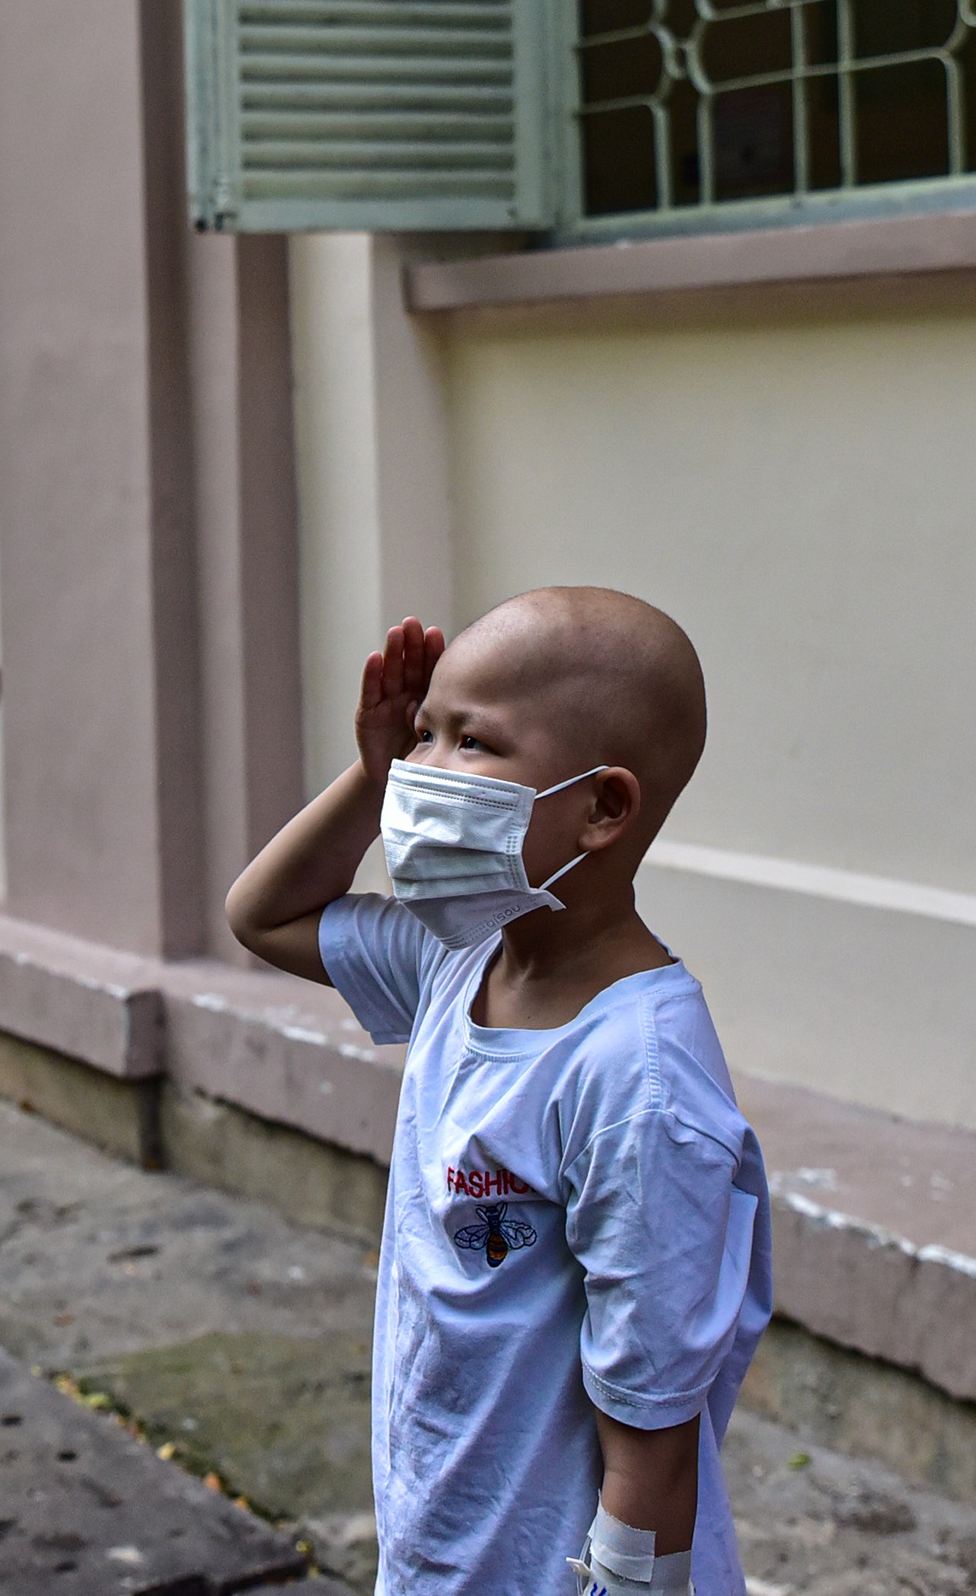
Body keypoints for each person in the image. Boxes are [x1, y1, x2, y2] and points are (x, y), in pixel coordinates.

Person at [226, 590, 772, 1595]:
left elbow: (650, 1435)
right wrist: (369, 771)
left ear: (604, 806)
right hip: (439, 1548)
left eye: (471, 742)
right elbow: (263, 914)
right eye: (421, 735)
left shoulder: (636, 1077)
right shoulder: (460, 961)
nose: (422, 774)